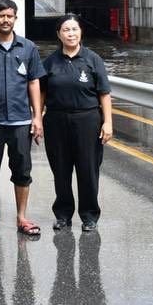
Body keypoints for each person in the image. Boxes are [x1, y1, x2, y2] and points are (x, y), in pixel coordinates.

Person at [0, 0, 46, 238]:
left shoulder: (28, 48)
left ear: (15, 18)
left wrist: (37, 118)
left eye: (10, 16)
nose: (5, 20)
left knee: (22, 170)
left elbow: (34, 82)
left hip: (21, 121)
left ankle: (22, 217)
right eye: (1, 16)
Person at [41, 14, 113, 232]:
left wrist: (107, 122)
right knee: (60, 170)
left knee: (88, 169)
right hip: (56, 121)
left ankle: (89, 215)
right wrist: (36, 117)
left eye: (74, 29)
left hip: (88, 120)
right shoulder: (50, 62)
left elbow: (104, 94)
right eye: (66, 30)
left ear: (80, 32)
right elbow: (41, 92)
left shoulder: (93, 60)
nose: (70, 34)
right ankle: (63, 214)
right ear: (58, 34)